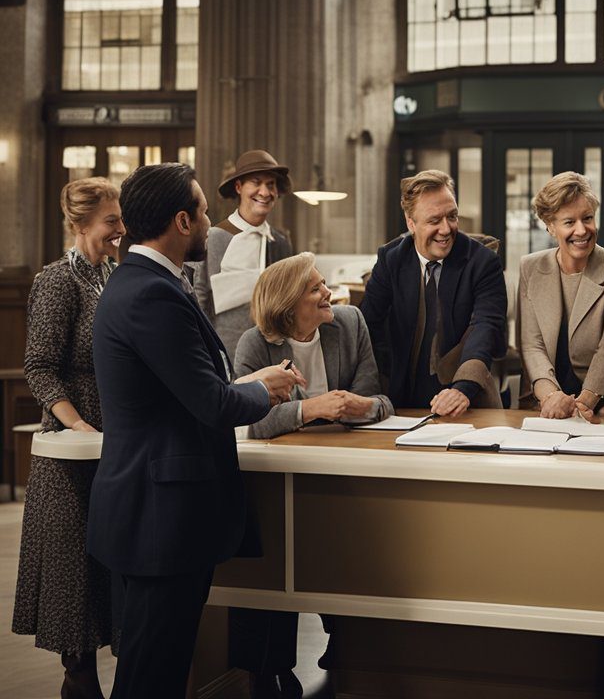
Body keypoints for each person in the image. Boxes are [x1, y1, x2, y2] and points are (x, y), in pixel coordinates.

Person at [88, 163, 302, 698]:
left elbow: (184, 387)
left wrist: (245, 381)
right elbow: (210, 402)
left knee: (152, 668)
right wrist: (265, 390)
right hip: (161, 515)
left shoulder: (142, 281)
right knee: (151, 676)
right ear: (182, 221)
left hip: (154, 510)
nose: (210, 221)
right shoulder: (152, 293)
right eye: (204, 210)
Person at [229, 252, 391, 696]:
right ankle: (270, 671)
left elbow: (378, 401)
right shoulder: (254, 345)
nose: (328, 294)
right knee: (275, 568)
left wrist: (364, 408)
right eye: (316, 288)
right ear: (288, 303)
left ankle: (346, 651)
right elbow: (252, 422)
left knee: (347, 556)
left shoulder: (350, 323)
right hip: (277, 480)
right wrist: (309, 409)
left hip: (342, 471)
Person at [12, 178, 124, 699]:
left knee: (111, 568)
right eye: (110, 222)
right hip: (71, 448)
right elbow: (38, 367)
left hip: (113, 442)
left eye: (121, 219)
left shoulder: (114, 276)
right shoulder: (56, 281)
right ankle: (78, 682)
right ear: (80, 225)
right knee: (74, 575)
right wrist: (78, 424)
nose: (120, 230)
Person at [359, 169, 507, 414]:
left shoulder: (484, 262)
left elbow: (486, 326)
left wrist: (463, 388)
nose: (447, 229)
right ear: (410, 222)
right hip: (399, 399)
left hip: (466, 398)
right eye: (434, 220)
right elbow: (367, 325)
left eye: (452, 216)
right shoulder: (390, 259)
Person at [518, 172, 604, 418]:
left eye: (588, 218)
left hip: (599, 406)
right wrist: (550, 397)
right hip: (541, 403)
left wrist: (583, 404)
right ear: (550, 226)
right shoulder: (530, 268)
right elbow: (532, 344)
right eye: (569, 222)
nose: (582, 230)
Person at [191, 149, 295, 357]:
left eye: (270, 184)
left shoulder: (281, 243)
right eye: (256, 182)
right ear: (238, 187)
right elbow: (200, 297)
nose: (264, 192)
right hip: (227, 352)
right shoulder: (216, 236)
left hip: (272, 354)